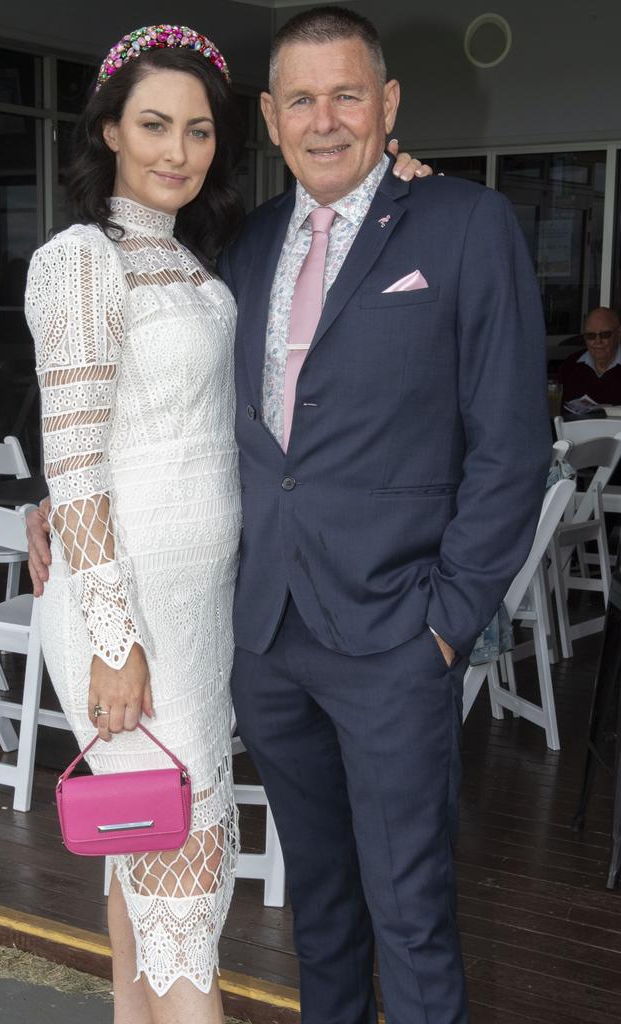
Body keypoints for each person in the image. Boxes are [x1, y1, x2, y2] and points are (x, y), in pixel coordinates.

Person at [24, 21, 430, 1024]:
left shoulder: (208, 264)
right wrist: (113, 637)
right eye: (154, 125)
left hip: (205, 614)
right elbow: (74, 458)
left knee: (142, 869)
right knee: (185, 885)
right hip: (129, 626)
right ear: (109, 129)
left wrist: (394, 176)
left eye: (198, 131)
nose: (176, 151)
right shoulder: (80, 259)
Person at [218, 7, 548, 1023]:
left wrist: (448, 623)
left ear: (389, 104)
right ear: (271, 118)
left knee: (409, 912)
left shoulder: (463, 224)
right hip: (269, 639)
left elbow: (511, 446)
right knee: (318, 908)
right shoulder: (249, 244)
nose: (326, 121)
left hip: (397, 637)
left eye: (348, 94)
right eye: (303, 99)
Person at [558, 306, 621, 408]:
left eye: (605, 334)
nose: (597, 342)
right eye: (591, 336)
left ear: (618, 334)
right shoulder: (570, 366)